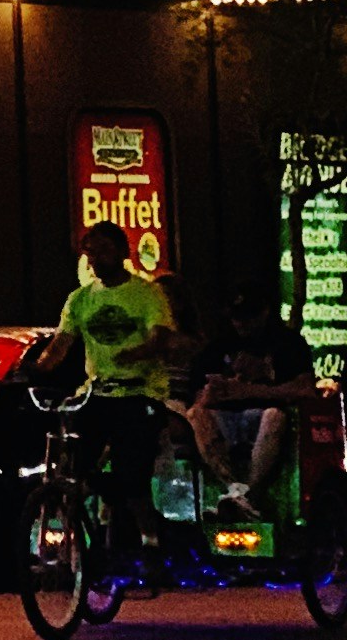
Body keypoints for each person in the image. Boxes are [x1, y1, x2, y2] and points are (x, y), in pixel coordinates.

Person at [53, 224, 180, 554]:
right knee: (74, 470)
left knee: (134, 480)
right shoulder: (79, 300)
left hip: (140, 394)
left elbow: (160, 338)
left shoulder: (147, 294)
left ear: (123, 253)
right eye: (91, 253)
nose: (97, 259)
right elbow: (58, 347)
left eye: (104, 251)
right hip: (98, 394)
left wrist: (136, 354)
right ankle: (83, 545)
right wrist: (26, 372)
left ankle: (150, 543)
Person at [186, 282, 319, 512]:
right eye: (236, 317)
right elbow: (198, 394)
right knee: (196, 415)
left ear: (264, 311)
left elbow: (306, 389)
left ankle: (251, 493)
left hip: (266, 415)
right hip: (227, 416)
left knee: (273, 416)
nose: (241, 323)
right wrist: (212, 394)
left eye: (248, 317)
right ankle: (233, 488)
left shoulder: (287, 343)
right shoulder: (220, 344)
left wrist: (253, 390)